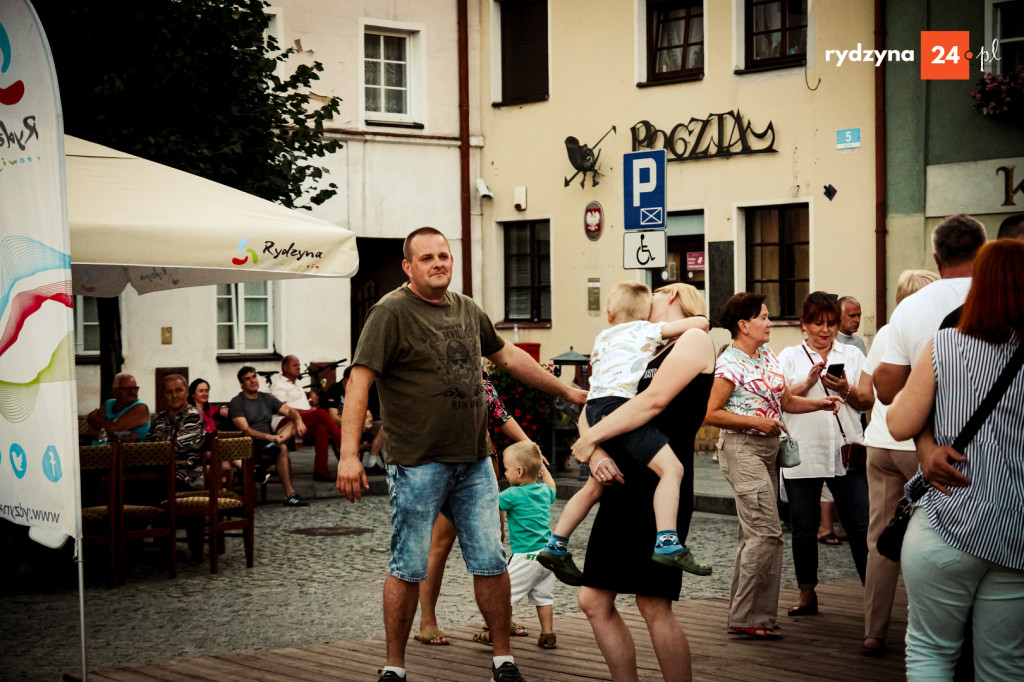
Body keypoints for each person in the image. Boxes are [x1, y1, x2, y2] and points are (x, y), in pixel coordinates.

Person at [335, 226, 587, 682]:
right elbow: (360, 380)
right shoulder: (390, 312)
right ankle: (394, 667)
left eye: (444, 256)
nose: (438, 263)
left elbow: (509, 358)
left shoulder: (467, 309)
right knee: (407, 565)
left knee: (490, 561)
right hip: (417, 462)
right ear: (408, 267)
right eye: (427, 257)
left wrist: (568, 391)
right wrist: (349, 455)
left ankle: (504, 660)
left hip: (474, 461)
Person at [887, 239, 1024, 680]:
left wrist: (928, 441)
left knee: (930, 651)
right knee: (1004, 664)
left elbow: (899, 423)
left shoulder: (944, 345)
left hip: (948, 518)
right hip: (1017, 529)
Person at [566, 282, 713, 681]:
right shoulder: (635, 342)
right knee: (593, 599)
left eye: (662, 288)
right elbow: (597, 403)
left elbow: (653, 402)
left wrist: (591, 439)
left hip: (661, 483)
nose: (652, 292)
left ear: (675, 299)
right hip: (620, 481)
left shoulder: (695, 340)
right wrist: (595, 451)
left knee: (653, 603)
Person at [539, 281, 712, 583]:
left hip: (598, 409)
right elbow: (701, 323)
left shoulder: (604, 338)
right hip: (619, 413)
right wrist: (591, 445)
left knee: (593, 488)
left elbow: (592, 397)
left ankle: (557, 543)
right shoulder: (647, 333)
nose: (650, 305)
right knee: (672, 470)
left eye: (655, 295)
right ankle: (668, 541)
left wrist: (591, 441)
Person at [703, 292, 841, 640]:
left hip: (768, 449)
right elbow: (711, 413)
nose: (769, 322)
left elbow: (785, 402)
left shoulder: (766, 355)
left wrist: (819, 404)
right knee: (767, 532)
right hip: (742, 448)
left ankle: (743, 613)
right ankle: (753, 616)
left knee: (752, 534)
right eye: (763, 317)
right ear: (743, 325)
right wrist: (756, 422)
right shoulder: (729, 364)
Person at [416, 367, 531, 647]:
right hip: (442, 458)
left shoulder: (476, 367)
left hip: (481, 458)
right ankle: (427, 622)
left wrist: (528, 444)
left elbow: (497, 411)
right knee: (441, 542)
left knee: (494, 541)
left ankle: (497, 619)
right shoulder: (430, 361)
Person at [857, 269, 938, 656]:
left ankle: (874, 631)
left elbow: (864, 390)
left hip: (878, 443)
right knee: (934, 537)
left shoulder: (887, 332)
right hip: (916, 446)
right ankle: (931, 628)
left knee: (880, 539)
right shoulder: (937, 326)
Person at [777, 292, 873, 617]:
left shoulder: (853, 355)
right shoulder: (789, 356)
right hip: (804, 452)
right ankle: (807, 592)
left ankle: (873, 597)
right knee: (804, 527)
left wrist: (845, 388)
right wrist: (807, 384)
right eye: (818, 323)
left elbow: (866, 402)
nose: (825, 330)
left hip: (847, 452)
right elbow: (780, 400)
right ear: (803, 325)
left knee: (860, 526)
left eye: (831, 323)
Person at [873, 213, 987, 406]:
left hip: (938, 429)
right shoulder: (1010, 298)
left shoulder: (909, 307)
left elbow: (887, 392)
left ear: (937, 259)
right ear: (984, 251)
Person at [474, 441, 557, 650]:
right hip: (547, 555)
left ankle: (496, 633)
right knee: (544, 597)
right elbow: (552, 486)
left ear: (519, 471)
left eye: (506, 469)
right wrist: (543, 469)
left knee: (504, 595)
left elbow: (489, 504)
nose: (504, 472)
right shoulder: (544, 492)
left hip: (526, 556)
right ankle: (548, 635)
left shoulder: (512, 494)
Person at [228, 365, 309, 507]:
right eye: (248, 379)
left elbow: (290, 411)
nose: (253, 381)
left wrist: (298, 421)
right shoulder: (237, 402)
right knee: (282, 448)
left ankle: (274, 446)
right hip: (251, 444)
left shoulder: (266, 398)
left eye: (254, 377)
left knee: (292, 422)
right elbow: (246, 430)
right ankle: (290, 494)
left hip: (270, 442)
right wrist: (269, 437)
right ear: (242, 384)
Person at [270, 354, 343, 482]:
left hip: (302, 423)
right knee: (320, 413)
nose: (299, 368)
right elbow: (282, 409)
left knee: (321, 428)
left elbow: (296, 398)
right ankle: (344, 443)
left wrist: (309, 394)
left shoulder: (296, 384)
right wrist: (309, 412)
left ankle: (321, 471)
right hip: (285, 423)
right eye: (295, 365)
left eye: (299, 365)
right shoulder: (279, 385)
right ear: (285, 368)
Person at [145, 374, 206, 491]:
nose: (174, 396)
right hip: (158, 475)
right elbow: (146, 445)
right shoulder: (160, 417)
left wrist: (151, 453)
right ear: (164, 395)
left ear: (187, 392)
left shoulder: (192, 416)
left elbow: (177, 448)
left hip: (185, 478)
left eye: (179, 390)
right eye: (169, 392)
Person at [325, 365, 385, 472]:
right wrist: (357, 423)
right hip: (344, 426)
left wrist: (366, 421)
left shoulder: (359, 389)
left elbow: (368, 412)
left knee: (384, 426)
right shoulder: (335, 390)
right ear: (346, 380)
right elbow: (333, 417)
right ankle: (352, 461)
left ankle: (371, 461)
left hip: (362, 423)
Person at [86, 373, 150, 444]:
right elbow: (91, 430)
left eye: (135, 388)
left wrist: (93, 418)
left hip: (126, 453)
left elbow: (114, 429)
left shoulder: (141, 408)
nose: (133, 392)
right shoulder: (109, 404)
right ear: (115, 391)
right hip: (97, 450)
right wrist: (121, 437)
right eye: (128, 389)